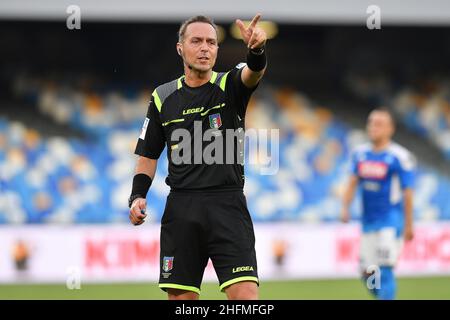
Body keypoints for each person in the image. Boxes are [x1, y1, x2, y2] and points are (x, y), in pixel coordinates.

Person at [128, 14, 267, 300]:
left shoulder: (230, 85)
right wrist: (137, 195)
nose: (205, 48)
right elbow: (148, 154)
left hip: (227, 206)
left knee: (245, 298)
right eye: (197, 41)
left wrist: (256, 51)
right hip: (182, 208)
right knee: (183, 301)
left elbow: (253, 73)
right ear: (180, 48)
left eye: (211, 42)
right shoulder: (162, 97)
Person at [341, 107, 416, 300]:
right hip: (368, 223)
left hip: (390, 221)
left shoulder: (400, 157)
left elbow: (408, 192)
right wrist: (345, 207)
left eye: (379, 123)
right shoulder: (359, 154)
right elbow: (351, 183)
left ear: (390, 129)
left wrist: (408, 224)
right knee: (367, 273)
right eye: (371, 123)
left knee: (385, 268)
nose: (373, 127)